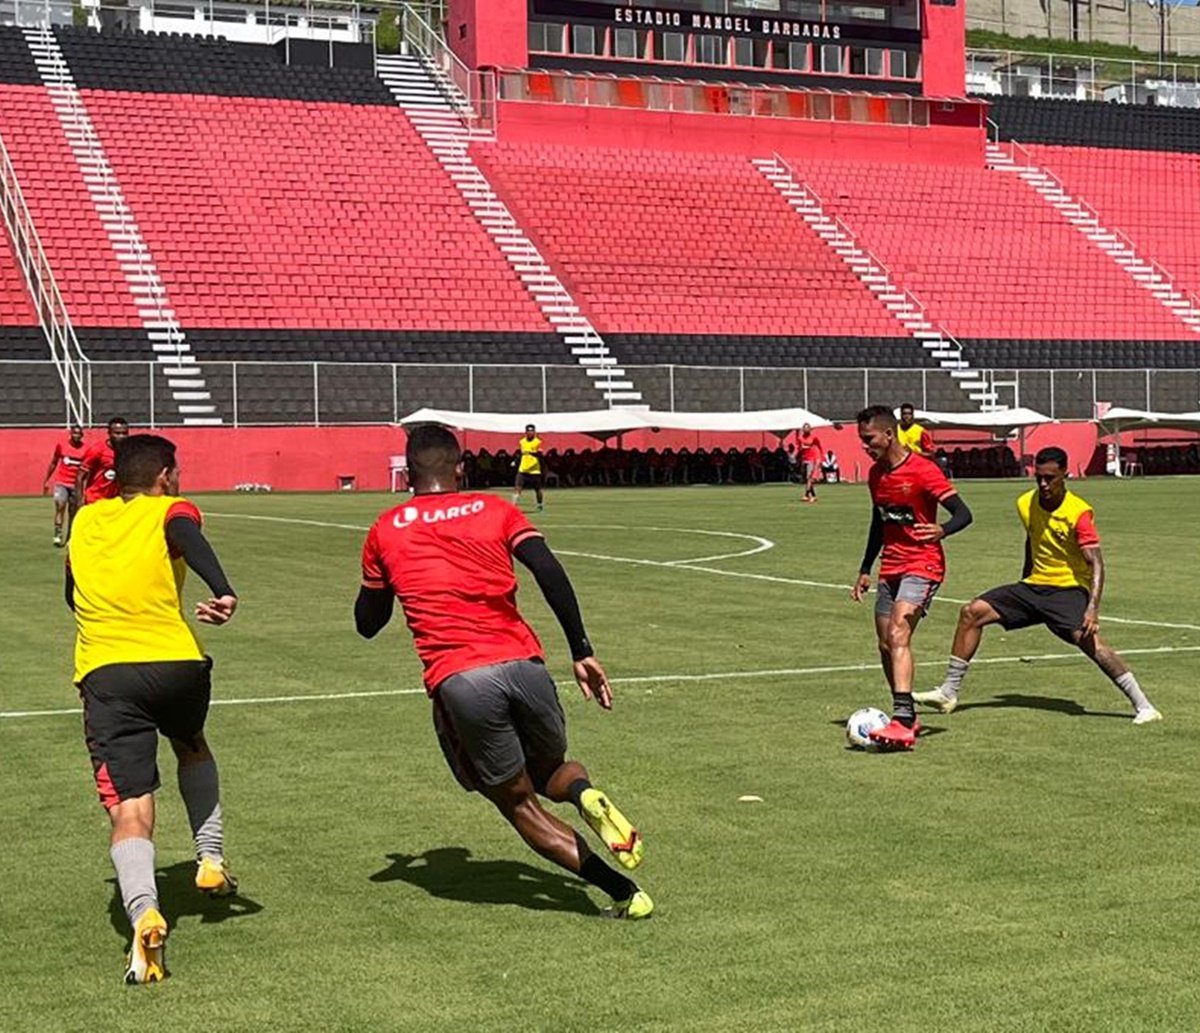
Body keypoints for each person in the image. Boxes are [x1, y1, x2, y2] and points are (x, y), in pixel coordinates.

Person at [355, 424, 652, 920]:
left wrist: (385, 583)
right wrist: (581, 649)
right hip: (525, 665)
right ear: (460, 468)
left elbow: (368, 624)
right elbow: (549, 568)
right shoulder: (495, 508)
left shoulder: (387, 528)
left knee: (517, 803)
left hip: (462, 677)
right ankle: (585, 794)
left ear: (408, 472)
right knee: (550, 772)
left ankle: (624, 892)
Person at [67, 434, 240, 984]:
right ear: (166, 474)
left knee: (131, 808)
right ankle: (209, 858)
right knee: (192, 745)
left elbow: (71, 594)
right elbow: (185, 534)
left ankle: (144, 913)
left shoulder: (85, 522)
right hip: (179, 663)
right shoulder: (171, 509)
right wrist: (223, 588)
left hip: (108, 672)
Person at [915, 447, 1161, 724]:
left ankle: (1144, 706)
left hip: (1068, 590)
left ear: (1065, 475)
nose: (1044, 484)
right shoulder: (1025, 503)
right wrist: (1025, 581)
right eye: (1039, 478)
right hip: (1033, 587)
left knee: (1091, 645)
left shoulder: (1078, 512)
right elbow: (1033, 540)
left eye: (1050, 478)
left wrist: (1092, 608)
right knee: (972, 612)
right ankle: (949, 692)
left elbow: (1098, 564)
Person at [851, 405, 973, 750]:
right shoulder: (876, 475)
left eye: (869, 438)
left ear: (888, 434)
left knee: (898, 632)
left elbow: (964, 514)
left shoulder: (923, 470)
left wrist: (943, 529)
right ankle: (905, 713)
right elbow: (879, 523)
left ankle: (903, 721)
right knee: (885, 644)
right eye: (862, 439)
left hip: (924, 563)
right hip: (890, 565)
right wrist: (865, 569)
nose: (865, 445)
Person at [43, 424, 87, 546]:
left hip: (76, 485)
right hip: (62, 482)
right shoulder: (62, 446)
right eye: (74, 433)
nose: (76, 436)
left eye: (79, 434)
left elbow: (88, 468)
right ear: (71, 434)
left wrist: (85, 484)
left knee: (73, 512)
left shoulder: (85, 449)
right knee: (60, 506)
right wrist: (47, 480)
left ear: (82, 435)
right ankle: (58, 534)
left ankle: (70, 537)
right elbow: (54, 462)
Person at [77, 416, 130, 505]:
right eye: (117, 433)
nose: (121, 436)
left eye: (124, 433)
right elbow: (80, 476)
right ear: (109, 433)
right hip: (94, 500)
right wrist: (79, 501)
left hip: (115, 501)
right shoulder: (97, 450)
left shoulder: (128, 451)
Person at [511, 424, 545, 511]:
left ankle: (540, 504)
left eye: (532, 431)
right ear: (525, 432)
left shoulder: (538, 442)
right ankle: (513, 507)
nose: (530, 433)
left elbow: (540, 455)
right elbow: (521, 454)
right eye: (528, 431)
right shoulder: (522, 441)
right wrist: (515, 461)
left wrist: (531, 452)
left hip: (534, 470)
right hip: (523, 469)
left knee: (538, 490)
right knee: (518, 488)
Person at [796, 423, 823, 502]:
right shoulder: (800, 438)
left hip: (812, 458)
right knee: (806, 479)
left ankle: (806, 495)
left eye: (808, 428)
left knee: (809, 477)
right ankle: (813, 496)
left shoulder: (814, 437)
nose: (806, 429)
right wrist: (798, 458)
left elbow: (819, 447)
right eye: (805, 428)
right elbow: (799, 449)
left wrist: (821, 457)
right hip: (804, 459)